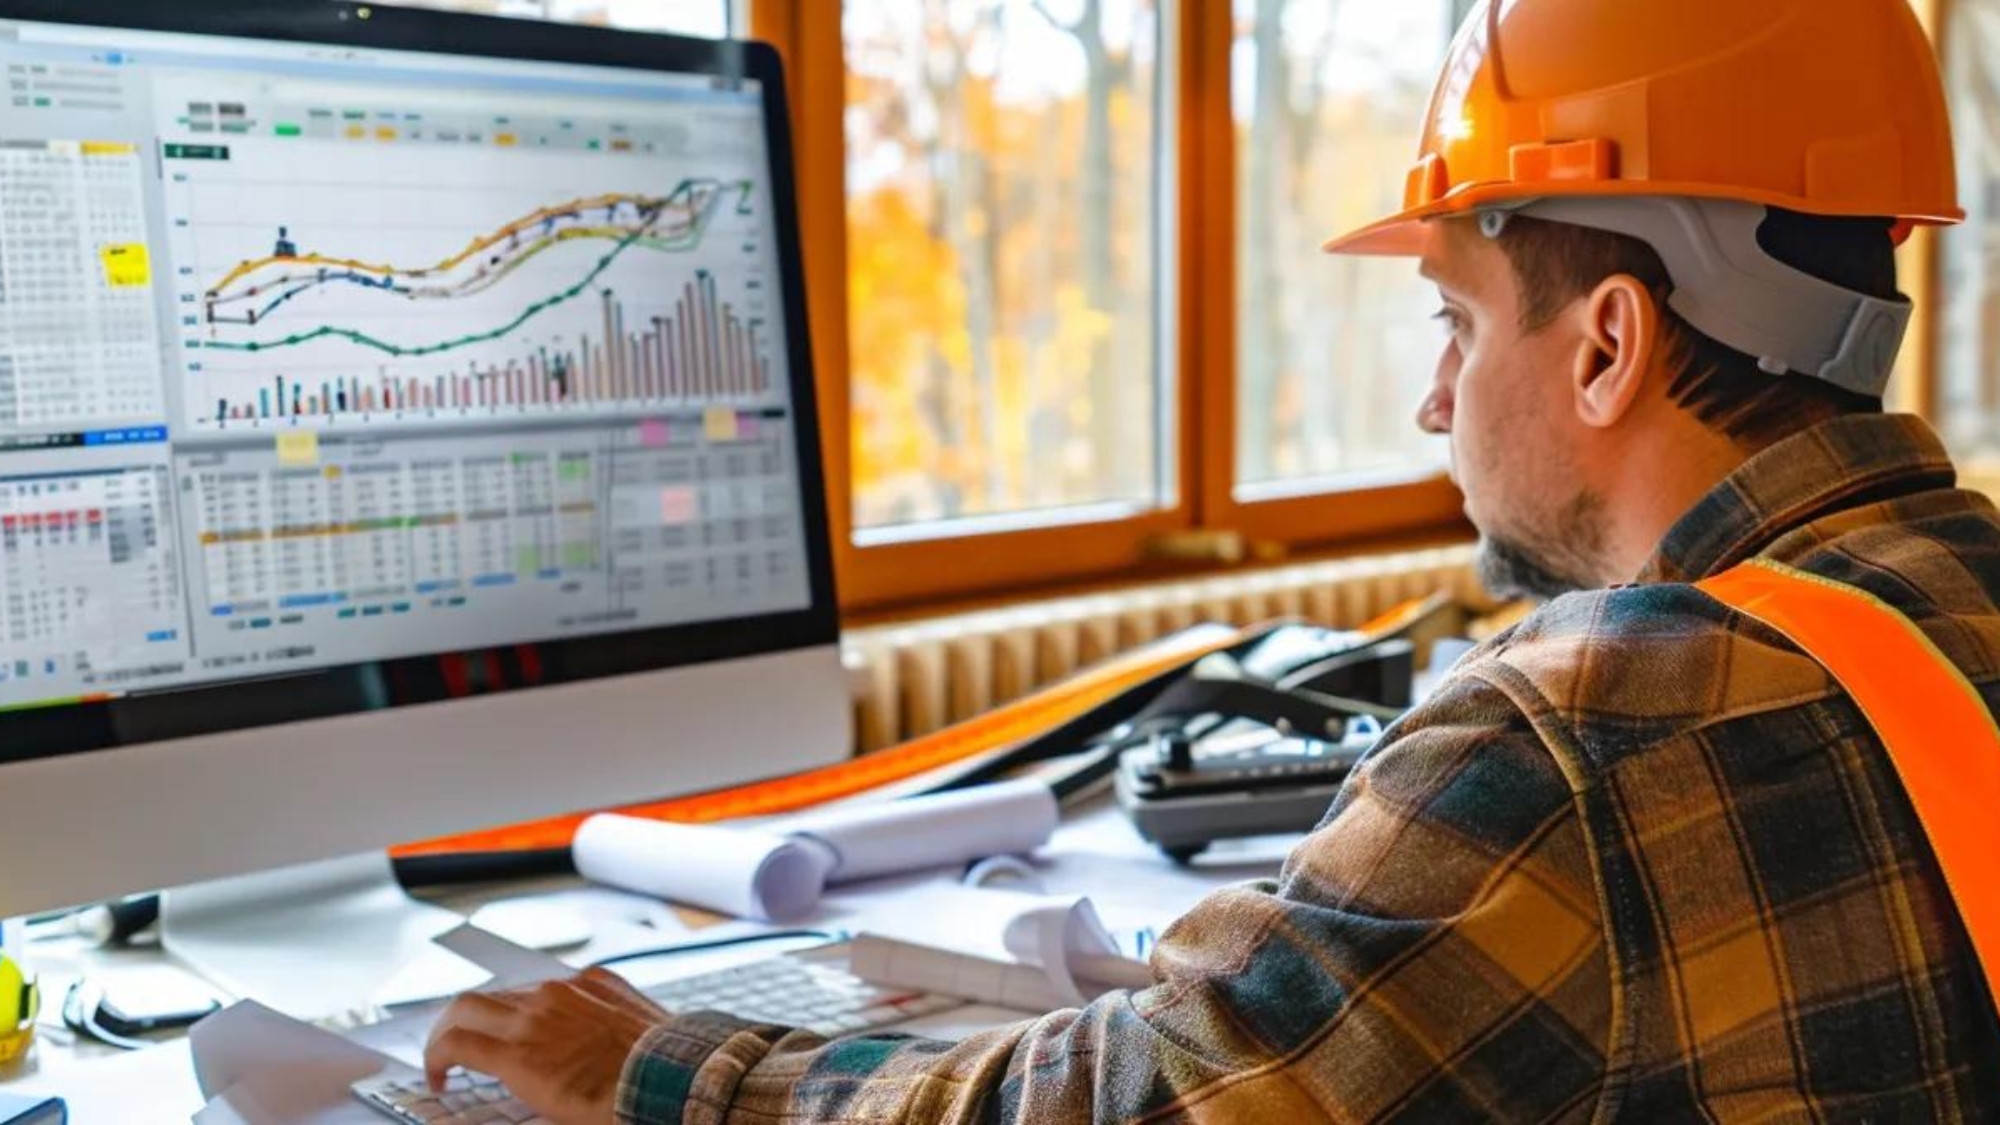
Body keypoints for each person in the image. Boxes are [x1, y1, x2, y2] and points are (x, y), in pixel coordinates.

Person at [423, 0, 2000, 1118]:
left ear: (1606, 346)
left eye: (1454, 322)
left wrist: (656, 1065)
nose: (1433, 400)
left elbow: (1134, 1110)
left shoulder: (1579, 733)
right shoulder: (1964, 587)